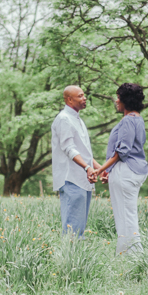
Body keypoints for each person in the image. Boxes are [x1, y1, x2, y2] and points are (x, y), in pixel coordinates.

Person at [89, 83, 148, 255]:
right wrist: (109, 171)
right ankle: (124, 254)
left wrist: (99, 171)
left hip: (126, 171)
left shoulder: (128, 120)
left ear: (125, 100)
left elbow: (121, 152)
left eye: (118, 97)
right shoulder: (138, 119)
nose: (116, 100)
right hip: (131, 170)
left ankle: (134, 256)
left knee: (126, 216)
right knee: (125, 214)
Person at [51, 85, 101, 237]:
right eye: (80, 96)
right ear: (69, 99)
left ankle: (77, 259)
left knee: (79, 227)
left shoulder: (78, 119)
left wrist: (100, 168)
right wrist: (87, 168)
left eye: (84, 95)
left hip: (84, 179)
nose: (84, 98)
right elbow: (69, 148)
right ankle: (69, 259)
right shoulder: (63, 119)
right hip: (71, 178)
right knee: (73, 228)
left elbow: (84, 152)